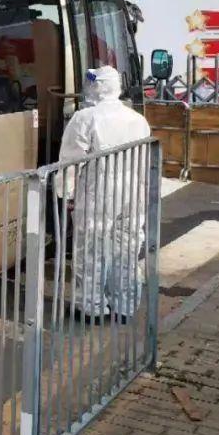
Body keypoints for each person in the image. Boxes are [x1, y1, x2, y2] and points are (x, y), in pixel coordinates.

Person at [57, 65, 151, 320]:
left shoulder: (85, 118)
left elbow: (70, 160)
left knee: (91, 249)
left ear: (96, 86)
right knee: (127, 249)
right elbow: (145, 160)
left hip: (98, 190)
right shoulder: (137, 119)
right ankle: (125, 306)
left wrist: (66, 193)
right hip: (132, 191)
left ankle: (91, 307)